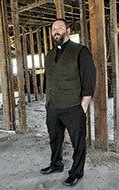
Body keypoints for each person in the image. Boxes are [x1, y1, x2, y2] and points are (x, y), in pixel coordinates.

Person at [40, 19, 96, 187]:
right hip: (52, 106)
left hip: (73, 107)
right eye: (53, 29)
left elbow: (89, 78)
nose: (56, 31)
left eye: (60, 28)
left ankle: (76, 173)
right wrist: (45, 99)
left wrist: (84, 104)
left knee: (78, 142)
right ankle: (56, 165)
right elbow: (47, 78)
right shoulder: (50, 54)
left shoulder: (80, 51)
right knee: (54, 139)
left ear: (68, 31)